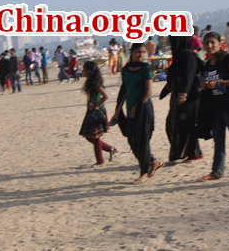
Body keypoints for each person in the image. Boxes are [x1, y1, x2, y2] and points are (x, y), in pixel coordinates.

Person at [112, 43, 162, 183]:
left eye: (143, 52)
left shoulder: (146, 68)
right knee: (132, 141)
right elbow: (124, 91)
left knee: (143, 141)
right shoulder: (126, 70)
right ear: (132, 53)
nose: (141, 55)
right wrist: (117, 112)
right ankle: (154, 161)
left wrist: (136, 109)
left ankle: (144, 173)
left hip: (144, 110)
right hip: (130, 110)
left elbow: (148, 92)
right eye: (138, 52)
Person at [164, 35, 203, 163]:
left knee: (187, 125)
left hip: (188, 98)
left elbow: (189, 76)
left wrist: (184, 93)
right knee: (173, 124)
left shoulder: (188, 56)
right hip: (178, 98)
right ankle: (186, 153)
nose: (170, 43)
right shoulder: (179, 56)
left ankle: (192, 153)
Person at [198, 32, 229, 181]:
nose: (209, 46)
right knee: (218, 141)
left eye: (212, 42)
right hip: (216, 108)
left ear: (219, 43)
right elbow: (208, 83)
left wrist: (218, 83)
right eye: (206, 43)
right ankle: (217, 171)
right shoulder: (207, 64)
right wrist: (205, 86)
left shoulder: (228, 59)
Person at [79, 60, 117, 168]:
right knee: (88, 136)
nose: (82, 71)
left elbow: (106, 95)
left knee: (95, 137)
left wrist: (96, 105)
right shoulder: (90, 81)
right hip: (91, 111)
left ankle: (100, 161)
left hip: (97, 111)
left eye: (84, 69)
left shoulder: (95, 82)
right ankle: (110, 149)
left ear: (89, 71)